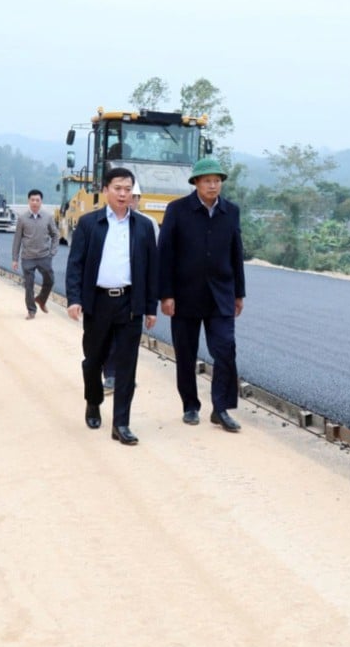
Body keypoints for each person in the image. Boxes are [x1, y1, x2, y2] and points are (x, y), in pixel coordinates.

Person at [65, 167, 158, 445]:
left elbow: (153, 269)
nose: (123, 194)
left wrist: (150, 307)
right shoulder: (89, 224)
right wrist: (74, 299)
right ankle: (93, 401)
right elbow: (76, 264)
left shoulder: (142, 226)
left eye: (128, 189)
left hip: (130, 303)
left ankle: (121, 424)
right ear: (105, 190)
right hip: (98, 302)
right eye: (117, 188)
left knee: (127, 366)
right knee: (93, 360)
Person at [158, 156, 246, 433]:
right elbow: (165, 255)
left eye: (217, 180)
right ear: (195, 182)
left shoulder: (230, 212)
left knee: (226, 350)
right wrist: (166, 294)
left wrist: (239, 293)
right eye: (207, 180)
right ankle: (190, 406)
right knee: (186, 353)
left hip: (221, 294)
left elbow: (236, 253)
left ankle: (220, 409)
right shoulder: (177, 210)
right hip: (184, 295)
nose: (213, 185)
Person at [11, 189, 59, 319]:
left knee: (50, 280)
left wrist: (52, 252)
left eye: (37, 200)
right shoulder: (22, 219)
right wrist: (15, 259)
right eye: (32, 200)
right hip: (28, 258)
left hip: (44, 256)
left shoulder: (48, 217)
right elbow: (17, 239)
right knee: (29, 285)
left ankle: (42, 299)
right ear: (29, 201)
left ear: (41, 202)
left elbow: (55, 234)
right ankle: (31, 310)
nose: (35, 202)